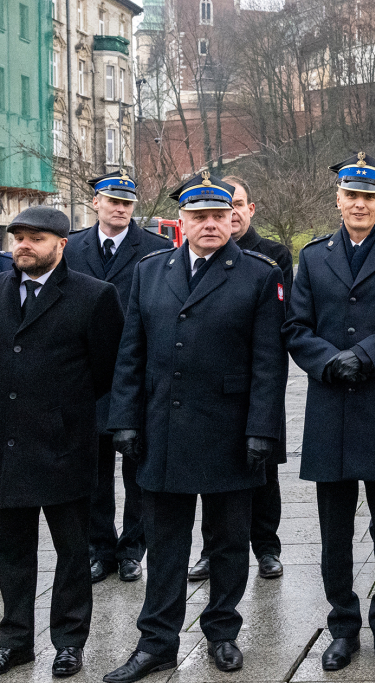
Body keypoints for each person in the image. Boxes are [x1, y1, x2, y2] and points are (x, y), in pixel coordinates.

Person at [103, 172, 288, 682]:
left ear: (233, 218)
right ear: (181, 221)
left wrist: (262, 431)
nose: (209, 224)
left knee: (228, 541)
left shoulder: (258, 273)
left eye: (218, 215)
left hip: (231, 431)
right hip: (163, 427)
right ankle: (157, 641)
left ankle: (222, 632)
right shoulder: (150, 270)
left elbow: (270, 364)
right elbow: (131, 353)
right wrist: (124, 419)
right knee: (165, 541)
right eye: (198, 216)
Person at [284, 153, 375, 672]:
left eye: (369, 197)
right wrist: (330, 361)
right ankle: (343, 625)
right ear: (339, 199)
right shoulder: (314, 255)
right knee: (334, 530)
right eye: (351, 195)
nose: (359, 205)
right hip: (331, 406)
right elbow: (296, 328)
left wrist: (364, 356)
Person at [0, 207, 123, 677]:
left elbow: (105, 369)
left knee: (73, 551)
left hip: (64, 445)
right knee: (12, 552)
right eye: (18, 238)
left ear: (61, 244)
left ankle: (69, 641)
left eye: (35, 238)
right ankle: (14, 639)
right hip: (8, 446)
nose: (24, 246)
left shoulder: (94, 297)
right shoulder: (1, 289)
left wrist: (59, 410)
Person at [64, 170, 170, 585]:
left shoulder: (157, 249)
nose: (121, 209)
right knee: (92, 469)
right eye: (113, 201)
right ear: (97, 203)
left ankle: (132, 550)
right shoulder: (70, 247)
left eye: (127, 202)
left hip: (136, 372)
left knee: (137, 468)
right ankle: (99, 548)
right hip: (85, 374)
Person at [188, 175, 294, 583]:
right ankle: (210, 549)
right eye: (218, 206)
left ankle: (266, 547)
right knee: (212, 475)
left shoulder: (271, 256)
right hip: (213, 385)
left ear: (249, 209)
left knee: (263, 470)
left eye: (235, 204)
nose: (228, 213)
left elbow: (278, 322)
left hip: (257, 378)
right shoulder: (198, 254)